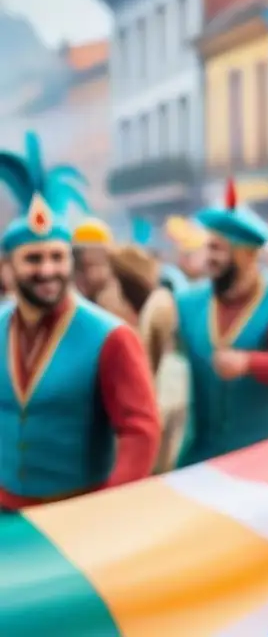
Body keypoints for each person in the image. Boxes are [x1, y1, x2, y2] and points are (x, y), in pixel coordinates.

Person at [0, 133, 160, 510]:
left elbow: (141, 432)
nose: (48, 270)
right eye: (34, 259)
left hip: (74, 513)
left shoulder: (111, 336)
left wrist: (104, 511)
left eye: (58, 257)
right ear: (8, 267)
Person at [172, 180, 268, 466]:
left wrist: (250, 363)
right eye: (208, 247)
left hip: (263, 460)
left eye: (217, 249)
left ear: (247, 254)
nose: (209, 258)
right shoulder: (187, 303)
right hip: (200, 459)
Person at [72, 217, 139, 325]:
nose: (92, 274)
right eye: (86, 266)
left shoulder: (118, 299)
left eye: (97, 264)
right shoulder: (73, 294)